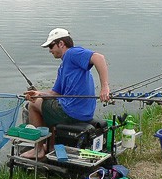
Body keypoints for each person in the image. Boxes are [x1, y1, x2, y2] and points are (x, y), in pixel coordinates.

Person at [21, 28, 110, 159]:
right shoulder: (63, 68)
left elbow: (99, 58)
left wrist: (104, 87)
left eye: (51, 46)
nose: (50, 50)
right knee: (42, 103)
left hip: (73, 111)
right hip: (80, 112)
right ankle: (51, 147)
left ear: (61, 43)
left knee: (32, 105)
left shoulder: (71, 53)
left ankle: (38, 149)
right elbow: (54, 93)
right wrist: (38, 93)